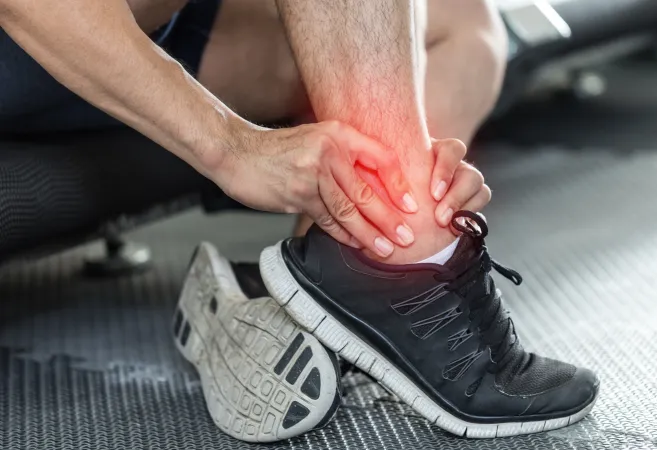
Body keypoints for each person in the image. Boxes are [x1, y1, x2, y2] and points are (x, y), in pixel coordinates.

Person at [0, 0, 600, 442]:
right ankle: (384, 264)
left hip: (159, 25)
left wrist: (412, 159)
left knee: (466, 25)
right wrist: (230, 145)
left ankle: (338, 265)